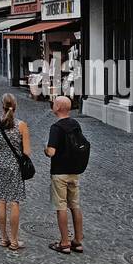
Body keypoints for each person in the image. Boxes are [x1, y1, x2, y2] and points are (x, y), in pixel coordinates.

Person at [0, 93, 30, 251]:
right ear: (15, 106)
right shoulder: (21, 125)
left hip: (0, 166)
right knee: (14, 201)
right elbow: (27, 152)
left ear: (1, 106)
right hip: (15, 167)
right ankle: (14, 241)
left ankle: (4, 238)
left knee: (1, 200)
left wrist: (1, 149)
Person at [44, 95, 87, 254]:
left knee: (61, 206)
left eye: (54, 103)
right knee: (75, 205)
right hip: (75, 171)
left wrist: (45, 149)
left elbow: (51, 152)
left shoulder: (56, 128)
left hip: (60, 173)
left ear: (58, 108)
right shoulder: (75, 124)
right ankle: (78, 241)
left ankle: (64, 243)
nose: (53, 105)